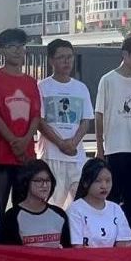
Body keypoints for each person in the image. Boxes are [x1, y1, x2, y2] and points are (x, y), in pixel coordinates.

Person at [0, 28, 41, 209]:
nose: (17, 50)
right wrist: (14, 142)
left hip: (26, 154)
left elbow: (36, 116)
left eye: (21, 46)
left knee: (24, 205)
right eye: (11, 46)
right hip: (1, 154)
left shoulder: (31, 82)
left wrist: (25, 141)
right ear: (1, 50)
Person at [95, 36, 131, 232]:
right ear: (125, 54)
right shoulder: (108, 80)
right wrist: (100, 147)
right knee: (112, 195)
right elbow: (99, 114)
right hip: (115, 147)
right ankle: (110, 233)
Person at [37, 39, 92, 209]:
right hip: (51, 155)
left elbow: (86, 120)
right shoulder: (42, 87)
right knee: (52, 205)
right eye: (61, 57)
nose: (67, 61)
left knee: (81, 204)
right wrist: (60, 143)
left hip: (76, 157)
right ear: (51, 60)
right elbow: (40, 121)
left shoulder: (81, 88)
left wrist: (73, 143)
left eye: (70, 56)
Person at [0, 160, 72, 248]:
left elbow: (68, 251)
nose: (45, 185)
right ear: (26, 182)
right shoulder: (11, 217)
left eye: (48, 180)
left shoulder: (60, 214)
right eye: (39, 181)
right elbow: (6, 252)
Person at [68, 158, 131, 248]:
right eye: (98, 181)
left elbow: (124, 243)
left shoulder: (115, 209)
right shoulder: (75, 210)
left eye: (108, 181)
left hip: (112, 257)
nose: (104, 186)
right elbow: (77, 247)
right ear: (85, 183)